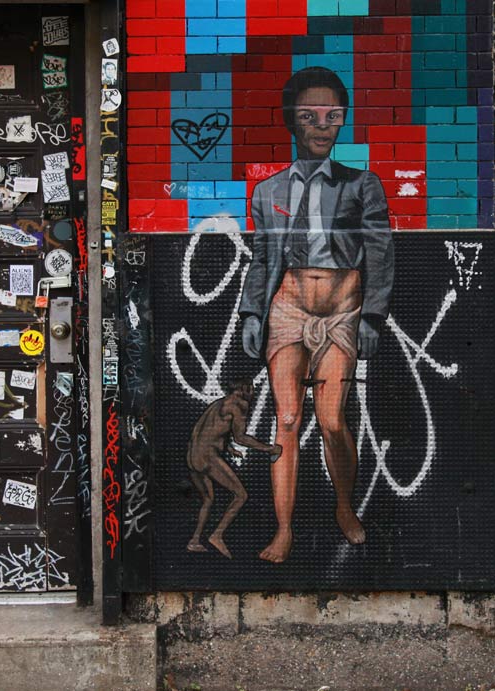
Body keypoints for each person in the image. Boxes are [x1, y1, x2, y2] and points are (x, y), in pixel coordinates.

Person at [239, 67, 394, 563]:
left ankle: (344, 505)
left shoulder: (362, 185)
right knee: (286, 418)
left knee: (330, 420)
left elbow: (380, 253)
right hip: (287, 310)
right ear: (291, 120)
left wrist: (372, 316)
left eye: (333, 115)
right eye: (310, 116)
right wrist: (252, 313)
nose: (322, 126)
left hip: (342, 311)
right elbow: (262, 259)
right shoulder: (268, 192)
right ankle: (283, 529)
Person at [186, 382, 282, 559]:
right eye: (251, 388)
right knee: (241, 495)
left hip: (192, 456)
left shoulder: (219, 403)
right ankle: (217, 535)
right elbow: (241, 438)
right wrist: (269, 449)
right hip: (207, 457)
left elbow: (209, 430)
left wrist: (228, 448)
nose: (253, 392)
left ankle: (194, 540)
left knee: (208, 499)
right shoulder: (239, 405)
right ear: (243, 389)